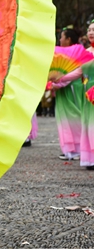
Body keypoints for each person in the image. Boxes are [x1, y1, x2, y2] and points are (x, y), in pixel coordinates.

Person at [51, 28, 83, 160]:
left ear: (68, 39)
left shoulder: (76, 52)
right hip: (63, 90)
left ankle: (80, 149)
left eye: (62, 37)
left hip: (72, 89)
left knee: (75, 118)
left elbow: (71, 72)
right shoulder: (62, 53)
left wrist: (55, 84)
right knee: (64, 120)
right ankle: (70, 149)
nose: (60, 40)